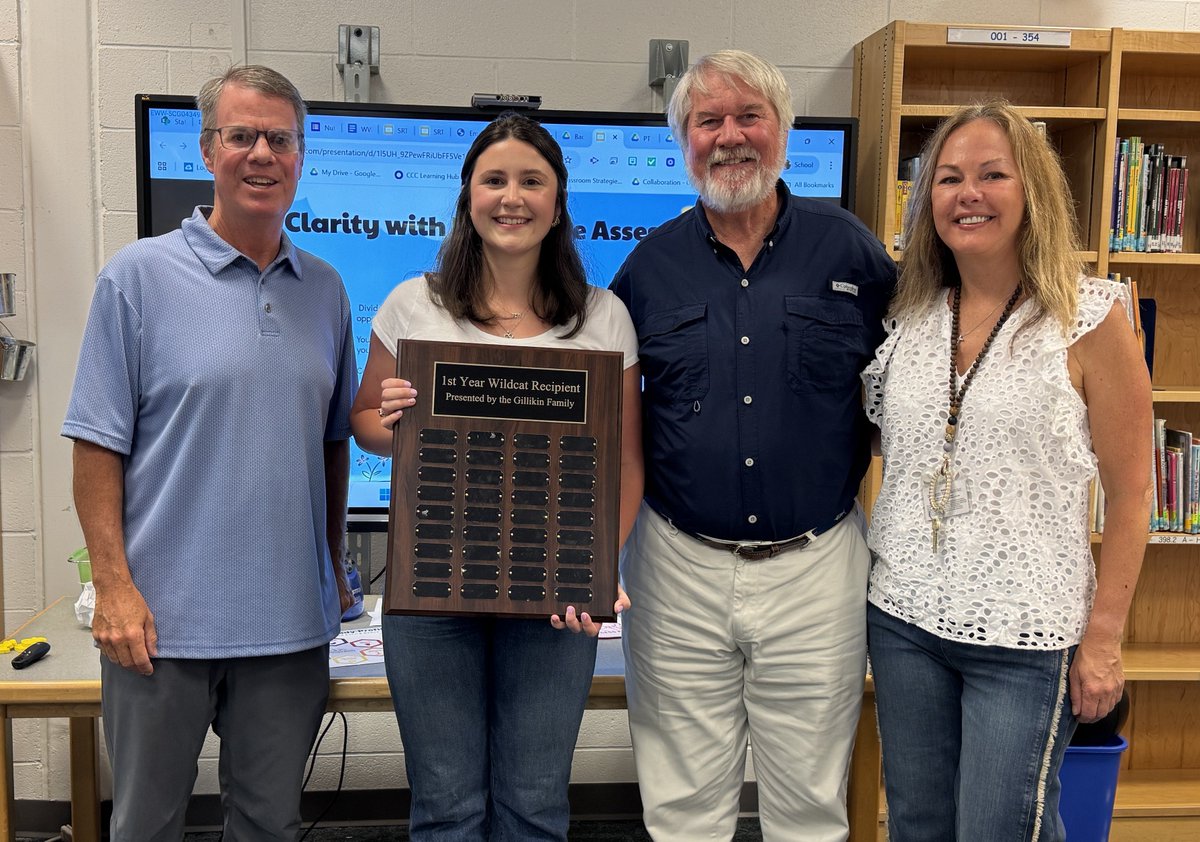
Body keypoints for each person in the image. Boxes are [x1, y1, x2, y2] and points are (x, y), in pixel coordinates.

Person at [62, 66, 356, 841]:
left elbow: (331, 443)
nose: (262, 154)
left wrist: (332, 567)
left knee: (269, 825)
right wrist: (113, 589)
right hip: (160, 627)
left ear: (300, 157)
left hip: (289, 626)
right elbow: (95, 446)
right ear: (206, 150)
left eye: (280, 139)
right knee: (146, 826)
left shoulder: (326, 290)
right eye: (241, 135)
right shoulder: (135, 279)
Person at [610, 50, 896, 841]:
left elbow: (902, 390)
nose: (729, 137)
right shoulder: (647, 269)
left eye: (749, 117)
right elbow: (612, 421)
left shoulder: (853, 254)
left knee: (809, 809)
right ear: (684, 142)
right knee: (682, 813)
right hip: (676, 569)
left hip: (816, 569)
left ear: (783, 131)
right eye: (708, 121)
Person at [861, 100, 1153, 840]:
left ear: (1033, 192)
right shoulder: (910, 316)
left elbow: (1132, 495)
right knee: (917, 823)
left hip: (1024, 635)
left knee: (1001, 826)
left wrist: (1105, 638)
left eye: (993, 175)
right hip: (902, 619)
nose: (969, 194)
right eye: (949, 178)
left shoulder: (1090, 319)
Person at [349, 112, 643, 842]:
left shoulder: (604, 317)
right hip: (432, 592)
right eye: (495, 180)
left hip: (554, 598)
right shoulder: (411, 304)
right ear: (468, 196)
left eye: (531, 181)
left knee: (534, 807)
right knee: (445, 807)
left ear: (558, 202)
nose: (512, 198)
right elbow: (365, 424)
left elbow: (627, 462)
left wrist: (597, 567)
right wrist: (391, 419)